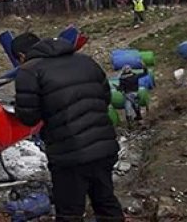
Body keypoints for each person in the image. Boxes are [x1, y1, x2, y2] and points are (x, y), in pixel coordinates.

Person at [12, 33, 123, 222]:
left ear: (22, 56)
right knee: (105, 201)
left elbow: (29, 118)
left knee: (69, 212)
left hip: (69, 153)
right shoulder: (85, 61)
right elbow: (105, 98)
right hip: (104, 146)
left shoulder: (29, 71)